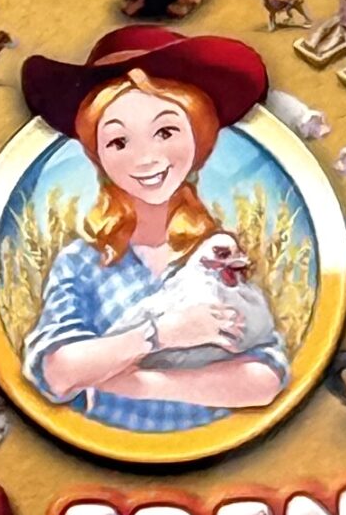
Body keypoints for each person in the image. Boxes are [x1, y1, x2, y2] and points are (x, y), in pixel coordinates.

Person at [16, 26, 288, 434]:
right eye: (119, 142)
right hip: (105, 444)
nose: (146, 158)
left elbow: (264, 378)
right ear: (98, 155)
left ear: (199, 138)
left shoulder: (216, 253)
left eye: (165, 132)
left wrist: (132, 381)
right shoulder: (81, 262)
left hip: (213, 447)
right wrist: (162, 333)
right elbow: (57, 372)